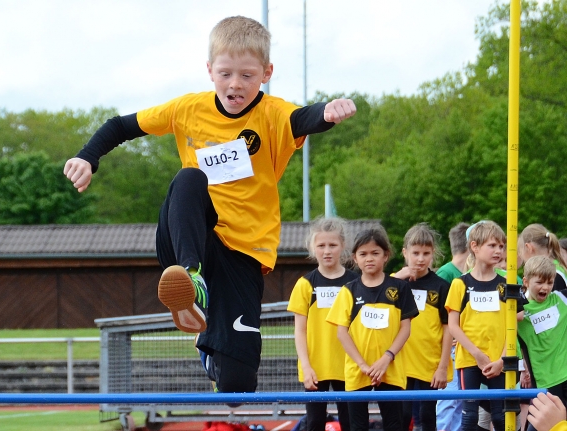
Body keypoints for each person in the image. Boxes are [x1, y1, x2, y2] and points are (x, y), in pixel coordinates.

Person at [63, 16, 357, 393]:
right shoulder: (187, 108)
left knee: (238, 387)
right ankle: (191, 279)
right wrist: (88, 157)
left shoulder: (273, 114)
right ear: (209, 70)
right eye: (226, 74)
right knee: (189, 178)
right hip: (191, 236)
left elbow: (305, 117)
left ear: (267, 73)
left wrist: (328, 114)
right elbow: (121, 125)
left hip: (245, 252)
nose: (235, 85)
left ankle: (211, 352)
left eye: (248, 76)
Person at [327, 226, 419, 431]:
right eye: (363, 254)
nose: (369, 258)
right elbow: (341, 332)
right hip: (358, 371)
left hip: (391, 369)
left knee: (396, 423)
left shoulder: (400, 288)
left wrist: (387, 357)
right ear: (355, 258)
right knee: (357, 426)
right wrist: (362, 364)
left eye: (375, 253)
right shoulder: (348, 291)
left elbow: (406, 328)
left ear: (385, 256)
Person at [287, 217, 358, 431]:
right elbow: (299, 330)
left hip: (348, 365)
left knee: (351, 423)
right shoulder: (305, 284)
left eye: (332, 245)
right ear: (312, 248)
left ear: (342, 246)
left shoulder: (355, 282)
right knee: (315, 422)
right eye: (321, 245)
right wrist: (306, 367)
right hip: (315, 367)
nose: (327, 251)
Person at [445, 220, 508, 431]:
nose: (498, 251)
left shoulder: (506, 284)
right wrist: (477, 354)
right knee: (469, 417)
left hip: (499, 359)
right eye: (492, 245)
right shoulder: (460, 284)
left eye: (501, 246)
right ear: (475, 246)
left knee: (500, 417)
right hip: (469, 360)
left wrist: (502, 359)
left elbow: (513, 326)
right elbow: (453, 326)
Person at [392, 223, 452, 431]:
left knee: (427, 416)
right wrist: (396, 279)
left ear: (433, 253)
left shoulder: (441, 286)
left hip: (430, 362)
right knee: (402, 415)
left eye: (426, 253)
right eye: (415, 253)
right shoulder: (393, 284)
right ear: (405, 253)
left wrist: (443, 366)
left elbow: (447, 328)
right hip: (400, 361)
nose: (420, 258)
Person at [517, 256, 567, 431]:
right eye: (539, 282)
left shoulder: (561, 298)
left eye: (550, 282)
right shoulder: (519, 311)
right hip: (546, 382)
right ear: (526, 281)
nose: (545, 287)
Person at [435, 222, 469, 431]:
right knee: (449, 400)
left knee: (462, 403)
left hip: (464, 347)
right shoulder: (446, 275)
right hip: (449, 349)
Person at [519, 224, 567, 291]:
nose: (520, 255)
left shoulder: (552, 274)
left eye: (520, 251)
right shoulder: (558, 266)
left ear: (529, 247)